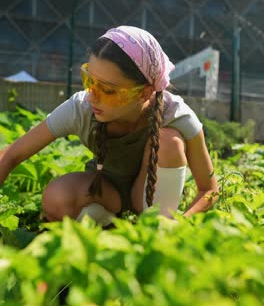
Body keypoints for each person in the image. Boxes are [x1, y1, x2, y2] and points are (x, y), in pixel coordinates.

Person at [0, 26, 218, 226]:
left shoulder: (177, 116)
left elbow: (209, 190)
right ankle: (110, 224)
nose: (93, 97)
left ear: (145, 92)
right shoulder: (81, 108)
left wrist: (180, 225)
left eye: (109, 90)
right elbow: (11, 155)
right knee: (57, 198)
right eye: (89, 81)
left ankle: (157, 228)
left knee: (169, 141)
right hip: (106, 191)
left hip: (151, 198)